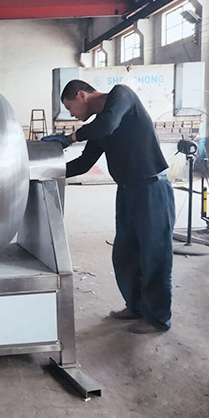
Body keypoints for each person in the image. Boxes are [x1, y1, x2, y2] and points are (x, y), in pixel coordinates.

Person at [43, 79, 175, 334]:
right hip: (126, 191)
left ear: (81, 95)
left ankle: (158, 318)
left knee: (154, 254)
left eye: (70, 108)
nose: (72, 115)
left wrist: (70, 138)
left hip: (151, 189)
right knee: (125, 254)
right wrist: (45, 170)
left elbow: (108, 124)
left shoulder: (121, 95)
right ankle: (136, 307)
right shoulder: (99, 126)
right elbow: (84, 163)